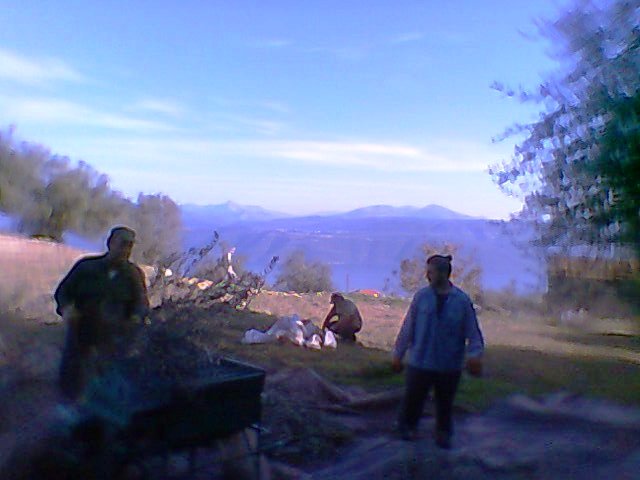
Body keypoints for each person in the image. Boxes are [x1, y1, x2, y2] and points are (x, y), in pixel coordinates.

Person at [392, 254, 484, 449]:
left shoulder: (461, 301)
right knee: (412, 401)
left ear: (444, 274)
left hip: (449, 365)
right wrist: (398, 355)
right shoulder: (421, 297)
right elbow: (408, 328)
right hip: (420, 362)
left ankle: (443, 435)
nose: (427, 276)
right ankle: (407, 430)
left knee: (445, 405)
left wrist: (474, 356)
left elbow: (474, 333)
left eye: (431, 272)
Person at [54, 226, 150, 400]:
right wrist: (67, 309)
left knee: (106, 376)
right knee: (72, 371)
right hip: (82, 327)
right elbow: (63, 292)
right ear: (110, 243)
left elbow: (141, 304)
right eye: (121, 244)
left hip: (113, 334)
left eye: (129, 246)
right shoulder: (86, 266)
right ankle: (66, 402)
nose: (125, 250)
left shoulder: (133, 275)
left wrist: (135, 319)